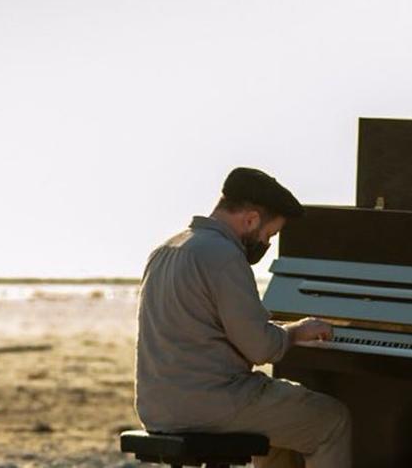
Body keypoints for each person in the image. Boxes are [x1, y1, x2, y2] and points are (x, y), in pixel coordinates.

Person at [134, 167, 352, 468]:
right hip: (211, 404)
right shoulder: (223, 256)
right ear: (250, 219)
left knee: (285, 421)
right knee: (332, 420)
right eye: (269, 234)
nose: (267, 243)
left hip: (157, 406)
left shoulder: (165, 250)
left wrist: (279, 331)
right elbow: (260, 348)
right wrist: (296, 332)